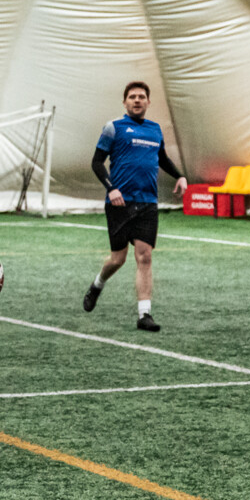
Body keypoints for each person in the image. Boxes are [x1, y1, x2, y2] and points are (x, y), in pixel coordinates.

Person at [83, 80, 187, 331]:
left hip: (148, 203)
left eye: (141, 96)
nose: (137, 100)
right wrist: (112, 189)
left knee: (145, 256)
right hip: (119, 204)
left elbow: (162, 158)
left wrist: (180, 176)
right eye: (132, 97)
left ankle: (144, 314)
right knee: (118, 259)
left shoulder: (155, 129)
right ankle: (97, 284)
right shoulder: (113, 128)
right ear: (125, 102)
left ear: (148, 102)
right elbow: (97, 162)